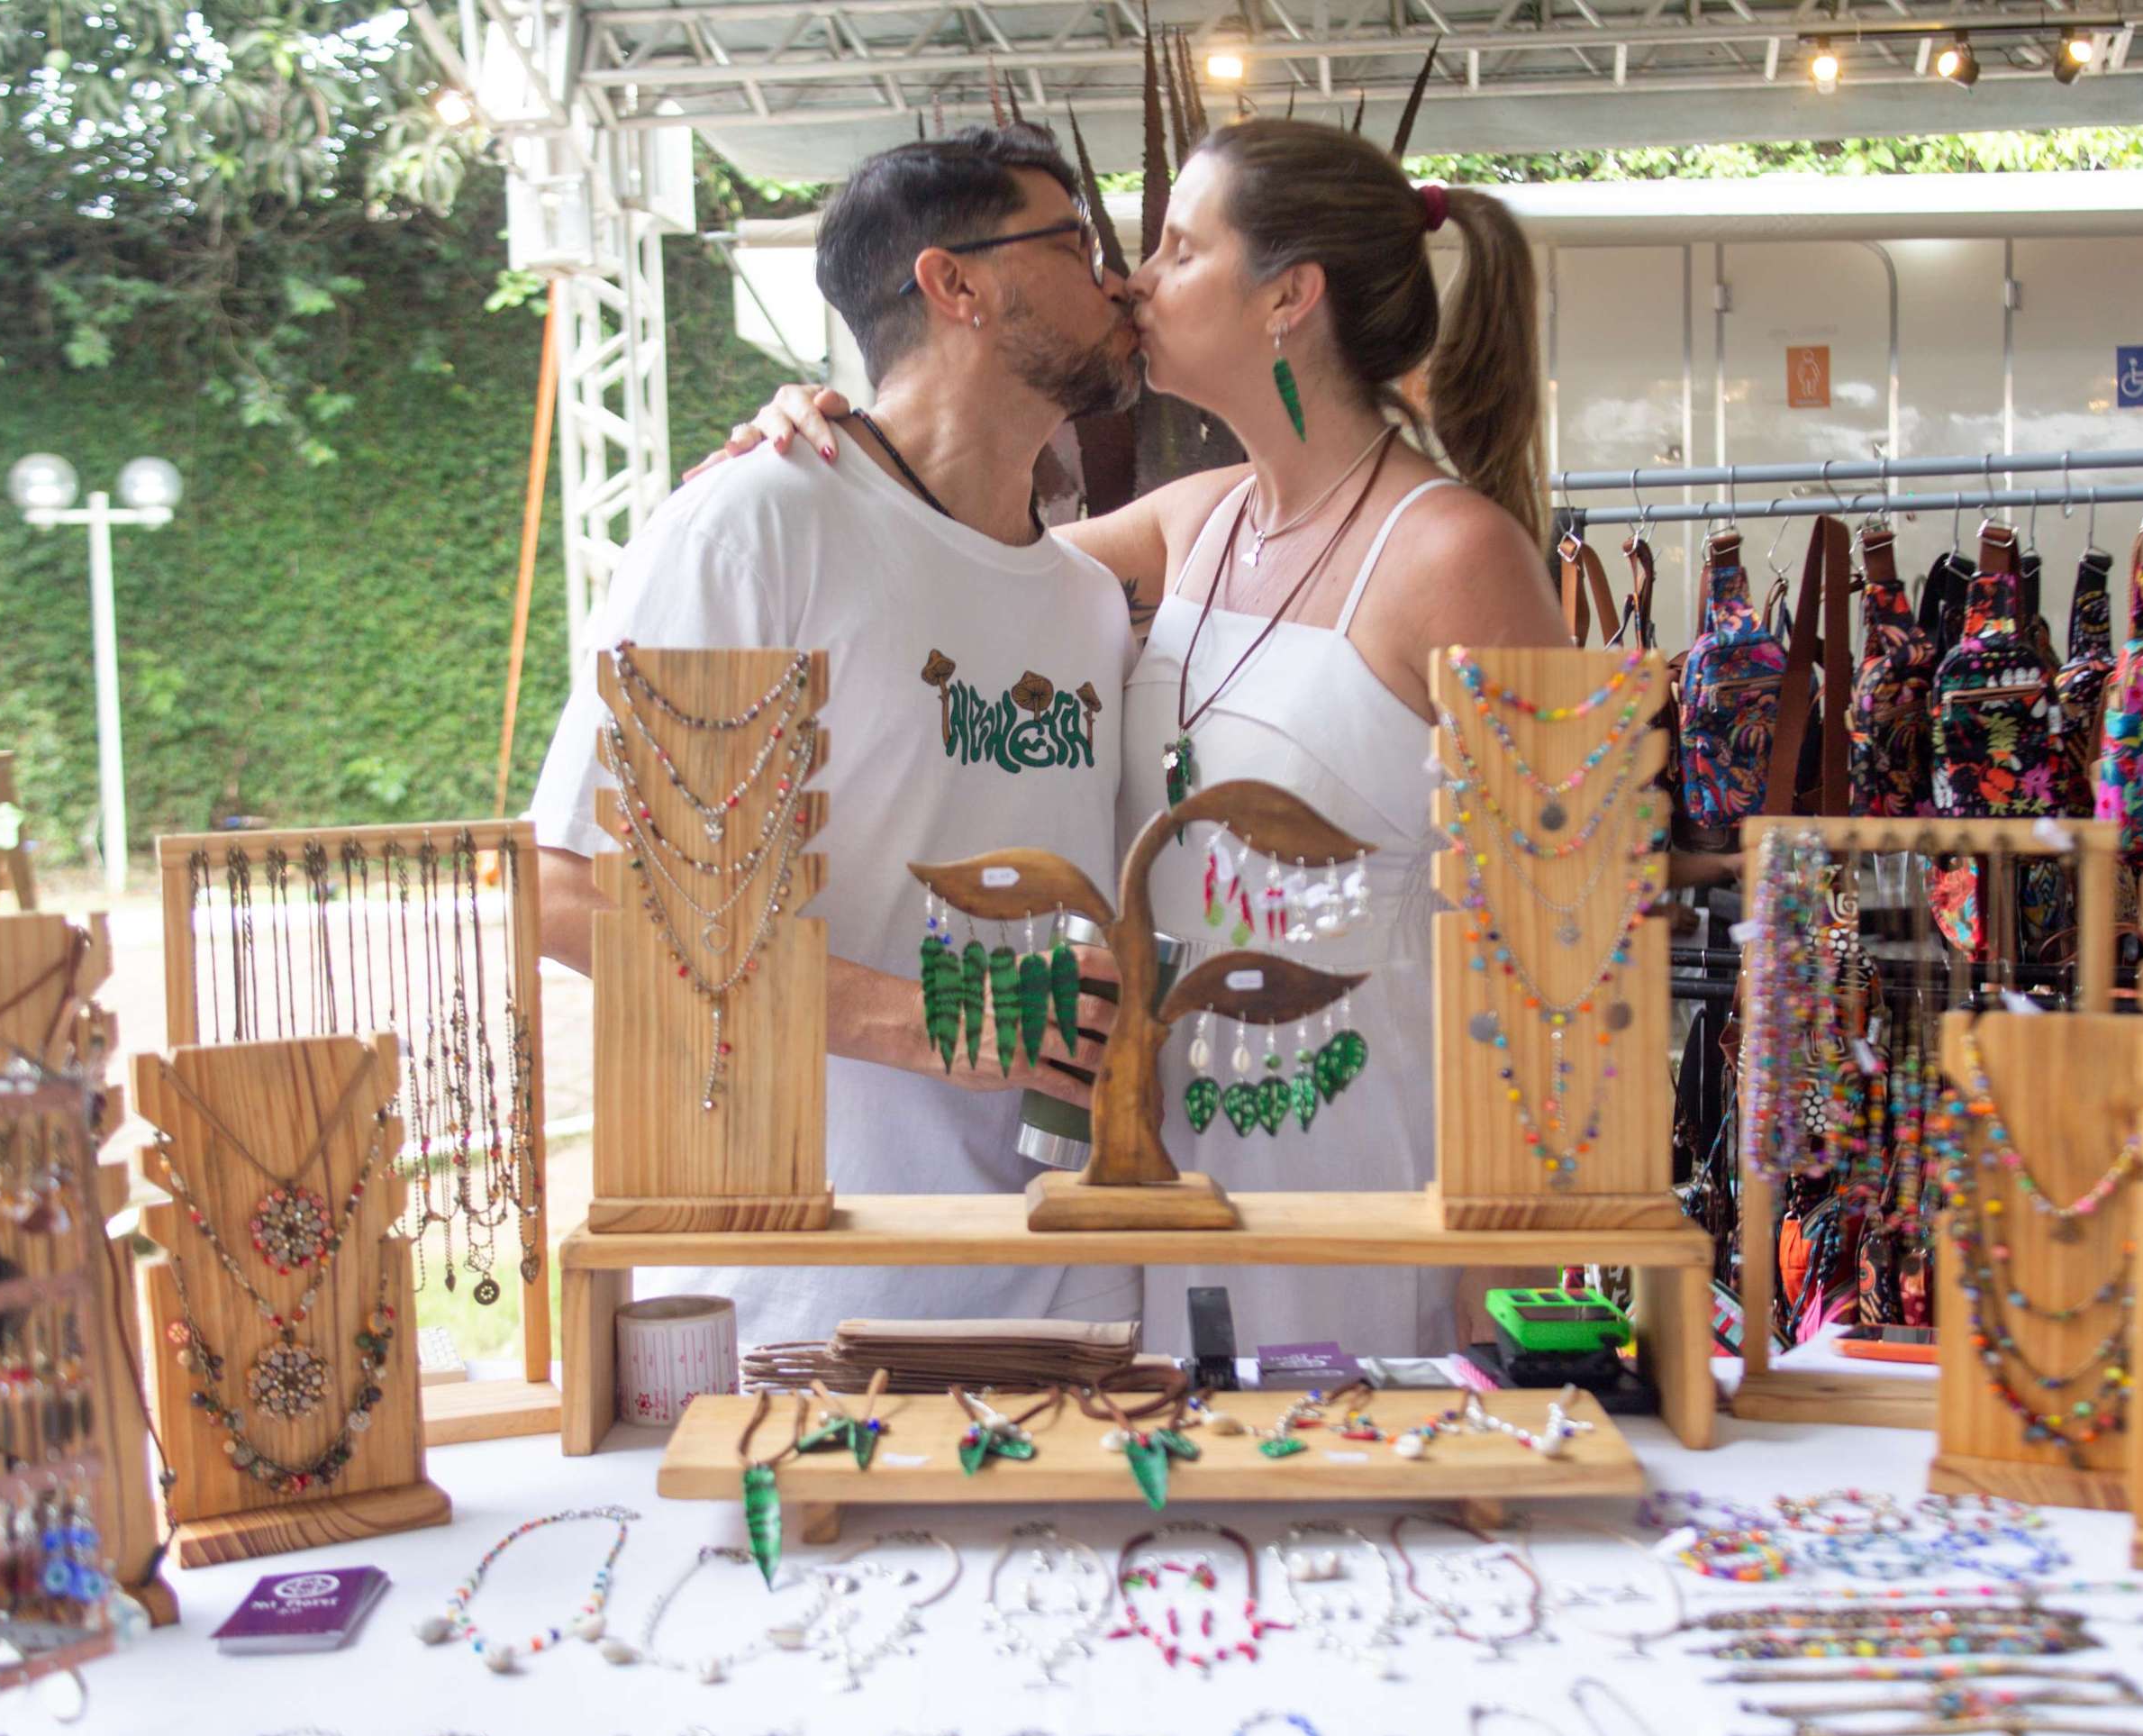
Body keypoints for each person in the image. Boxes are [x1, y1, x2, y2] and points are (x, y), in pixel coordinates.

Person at [712, 120, 1572, 1357]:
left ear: (1287, 298)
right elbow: (935, 557)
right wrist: (822, 448)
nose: (1131, 281)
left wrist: (1516, 1317)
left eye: (1177, 248)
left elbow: (1550, 963)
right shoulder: (1191, 526)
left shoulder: (1459, 560)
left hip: (1362, 1183)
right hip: (1152, 1200)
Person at [528, 124, 1145, 1348]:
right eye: (1076, 244)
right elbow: (562, 892)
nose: (1116, 282)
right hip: (806, 1288)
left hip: (1071, 1283)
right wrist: (925, 1022)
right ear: (953, 282)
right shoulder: (757, 524)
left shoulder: (1087, 599)